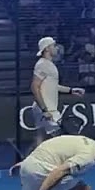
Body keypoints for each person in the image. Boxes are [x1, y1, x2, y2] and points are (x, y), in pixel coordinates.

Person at [12, 36, 85, 174]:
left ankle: (24, 166)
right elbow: (35, 87)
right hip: (47, 109)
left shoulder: (48, 65)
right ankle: (60, 171)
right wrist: (45, 109)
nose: (56, 48)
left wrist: (70, 90)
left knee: (40, 140)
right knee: (60, 140)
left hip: (44, 108)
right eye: (54, 45)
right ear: (47, 49)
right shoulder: (42, 64)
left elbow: (52, 86)